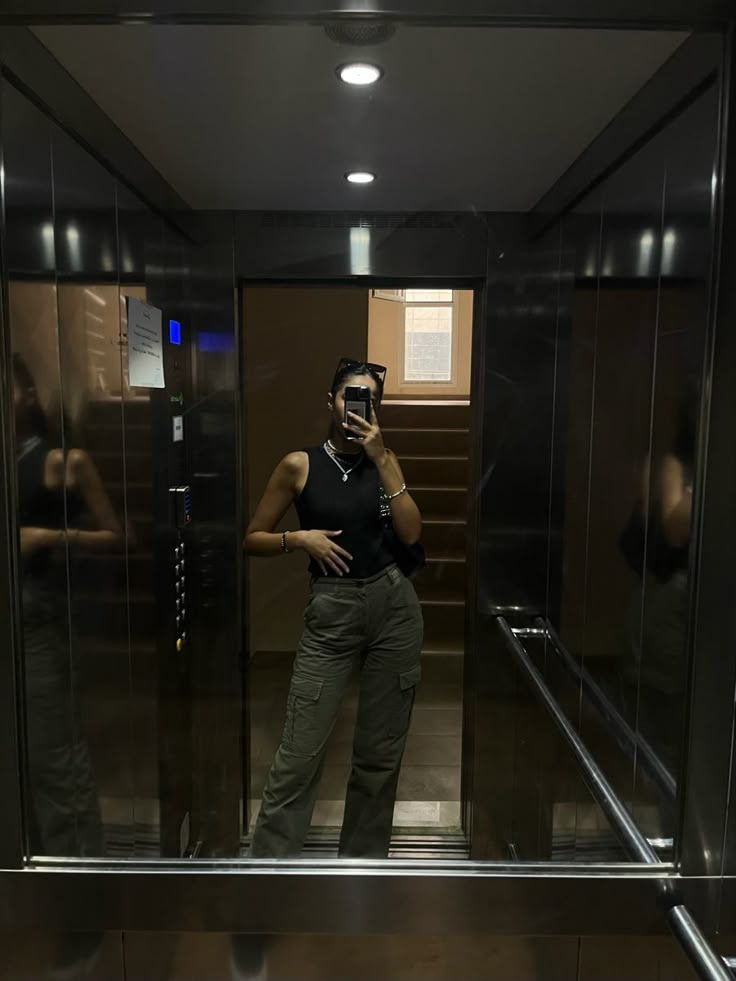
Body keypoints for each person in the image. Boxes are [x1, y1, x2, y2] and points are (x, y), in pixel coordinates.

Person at [244, 357, 424, 858]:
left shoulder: (385, 459)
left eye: (369, 399)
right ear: (331, 401)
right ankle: (267, 879)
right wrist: (297, 539)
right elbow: (251, 539)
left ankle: (361, 877)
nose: (356, 407)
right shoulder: (298, 464)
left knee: (379, 756)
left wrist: (383, 458)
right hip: (332, 612)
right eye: (350, 396)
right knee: (299, 755)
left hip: (394, 607)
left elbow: (411, 533)